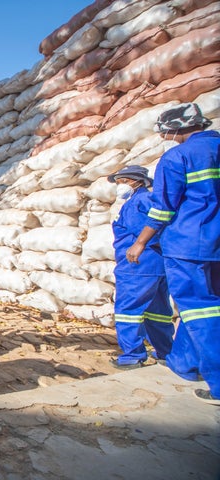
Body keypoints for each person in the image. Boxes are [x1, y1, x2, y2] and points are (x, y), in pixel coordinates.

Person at [125, 103, 220, 406]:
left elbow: (163, 208)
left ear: (174, 128)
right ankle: (184, 364)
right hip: (214, 243)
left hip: (190, 244)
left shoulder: (177, 157)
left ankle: (217, 381)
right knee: (205, 308)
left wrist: (140, 242)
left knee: (200, 310)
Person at [107, 165, 174, 369]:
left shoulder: (139, 202)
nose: (120, 187)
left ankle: (132, 356)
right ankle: (166, 352)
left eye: (123, 182)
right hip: (155, 264)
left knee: (128, 309)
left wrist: (139, 245)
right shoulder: (146, 200)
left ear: (137, 181)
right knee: (157, 310)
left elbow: (148, 230)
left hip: (137, 265)